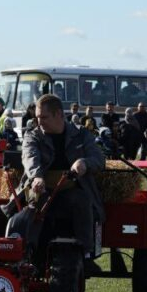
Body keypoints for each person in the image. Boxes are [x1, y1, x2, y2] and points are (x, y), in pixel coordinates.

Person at [22, 94, 105, 271]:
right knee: (31, 206)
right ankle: (30, 255)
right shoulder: (33, 136)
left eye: (43, 117)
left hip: (71, 189)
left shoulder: (81, 134)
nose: (39, 121)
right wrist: (37, 177)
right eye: (37, 117)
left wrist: (84, 163)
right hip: (41, 188)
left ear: (59, 114)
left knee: (82, 200)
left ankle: (86, 255)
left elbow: (98, 159)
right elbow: (30, 157)